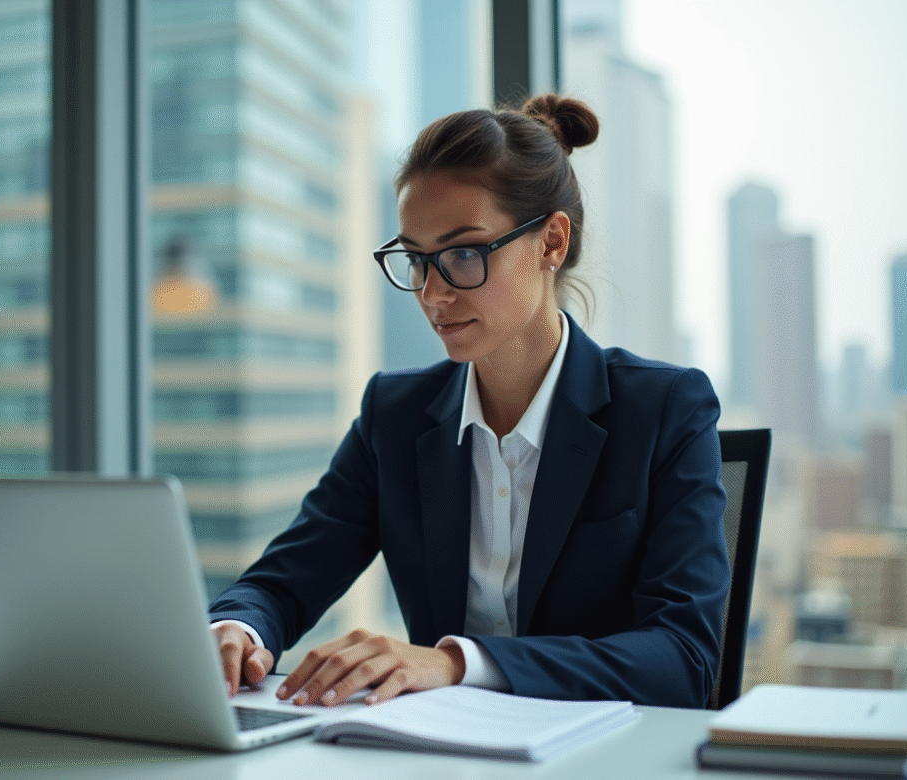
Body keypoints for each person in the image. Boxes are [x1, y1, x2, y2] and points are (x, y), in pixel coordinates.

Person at [208, 94, 730, 710]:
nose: (432, 293)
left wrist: (456, 662)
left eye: (463, 254)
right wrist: (236, 630)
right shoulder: (395, 415)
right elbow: (284, 582)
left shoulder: (665, 409)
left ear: (551, 243)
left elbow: (683, 660)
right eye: (416, 259)